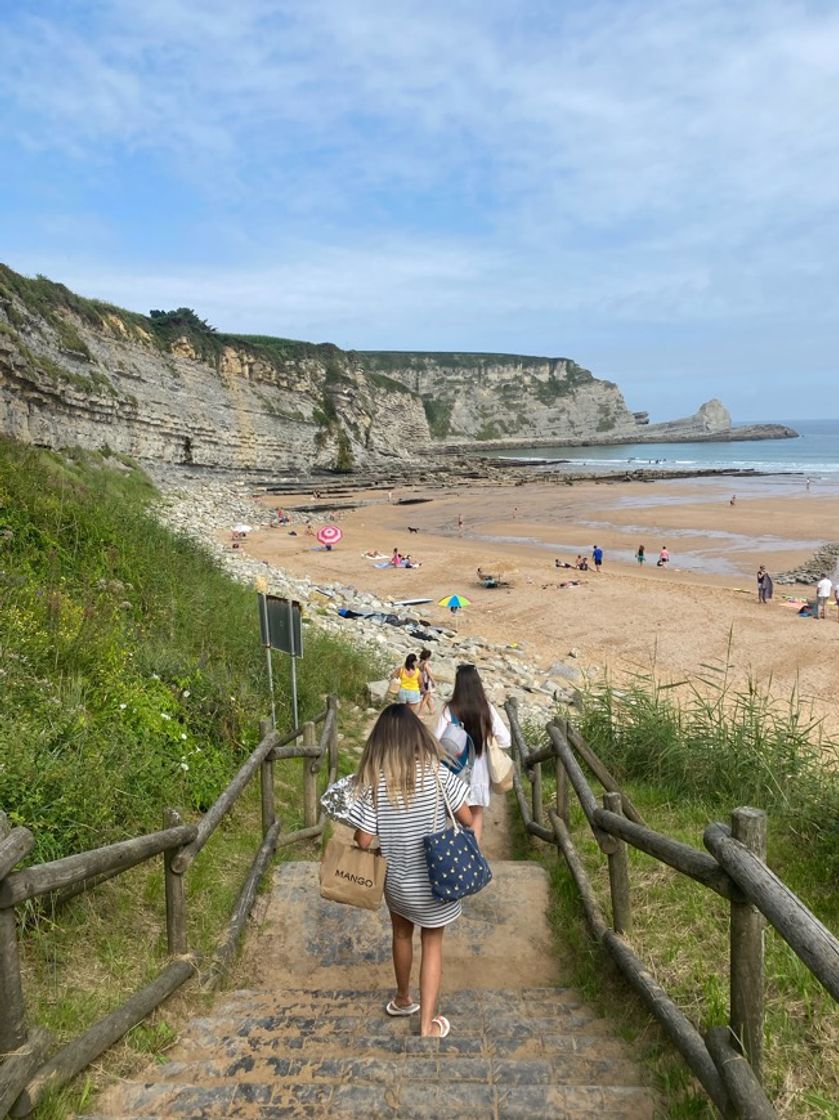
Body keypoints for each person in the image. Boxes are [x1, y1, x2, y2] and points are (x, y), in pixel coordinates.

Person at [348, 705, 472, 1038]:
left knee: (401, 935)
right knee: (432, 944)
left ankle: (403, 999)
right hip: (436, 882)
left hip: (398, 884)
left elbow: (362, 839)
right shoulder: (437, 774)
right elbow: (468, 819)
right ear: (418, 735)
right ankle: (428, 1024)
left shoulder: (376, 781)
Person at [433, 663, 511, 846]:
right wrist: (489, 737)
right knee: (476, 814)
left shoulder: (449, 709)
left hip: (454, 772)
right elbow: (506, 740)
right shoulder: (486, 709)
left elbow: (436, 742)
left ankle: (453, 854)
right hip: (479, 773)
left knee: (453, 814)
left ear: (458, 684)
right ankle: (472, 855)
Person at [417, 649, 436, 716]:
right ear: (428, 657)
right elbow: (430, 674)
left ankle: (432, 710)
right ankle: (419, 714)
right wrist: (434, 682)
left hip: (420, 682)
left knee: (427, 697)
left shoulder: (418, 663)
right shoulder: (425, 664)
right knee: (425, 699)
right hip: (427, 683)